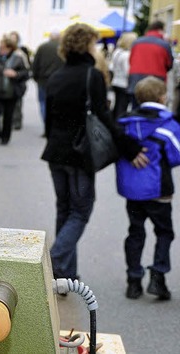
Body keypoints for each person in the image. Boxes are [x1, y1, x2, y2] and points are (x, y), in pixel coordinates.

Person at [41, 23, 148, 280]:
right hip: (80, 154)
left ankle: (65, 275)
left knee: (65, 211)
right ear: (88, 44)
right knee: (80, 212)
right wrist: (131, 149)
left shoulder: (56, 76)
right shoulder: (92, 75)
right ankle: (53, 261)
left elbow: (49, 121)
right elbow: (105, 118)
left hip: (55, 152)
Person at [115, 76, 180, 300]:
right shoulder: (169, 124)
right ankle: (158, 277)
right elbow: (175, 155)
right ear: (163, 97)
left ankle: (133, 280)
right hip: (159, 189)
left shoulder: (124, 123)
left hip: (132, 191)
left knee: (135, 231)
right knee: (164, 232)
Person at [0, 33, 29, 145]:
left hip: (11, 92)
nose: (1, 49)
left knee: (8, 116)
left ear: (10, 48)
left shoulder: (18, 58)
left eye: (3, 48)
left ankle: (5, 137)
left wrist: (15, 74)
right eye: (0, 47)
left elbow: (26, 74)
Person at [127, 21, 174, 108]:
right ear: (160, 30)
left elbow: (130, 61)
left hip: (135, 81)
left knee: (136, 109)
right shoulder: (164, 44)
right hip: (156, 83)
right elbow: (169, 64)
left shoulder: (136, 42)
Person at [32, 30, 64, 135]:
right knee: (56, 104)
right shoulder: (62, 48)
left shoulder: (42, 47)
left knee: (43, 103)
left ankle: (47, 125)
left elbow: (35, 64)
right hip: (59, 80)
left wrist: (35, 77)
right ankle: (53, 126)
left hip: (43, 79)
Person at [110, 32, 138, 120]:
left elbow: (111, 67)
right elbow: (128, 71)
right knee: (122, 108)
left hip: (116, 81)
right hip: (124, 84)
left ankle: (114, 123)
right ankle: (119, 125)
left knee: (117, 106)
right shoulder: (127, 55)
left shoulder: (117, 52)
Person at [8, 31, 31, 131]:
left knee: (17, 103)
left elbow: (26, 69)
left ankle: (17, 121)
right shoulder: (7, 52)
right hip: (7, 83)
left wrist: (17, 74)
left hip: (18, 83)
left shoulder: (21, 53)